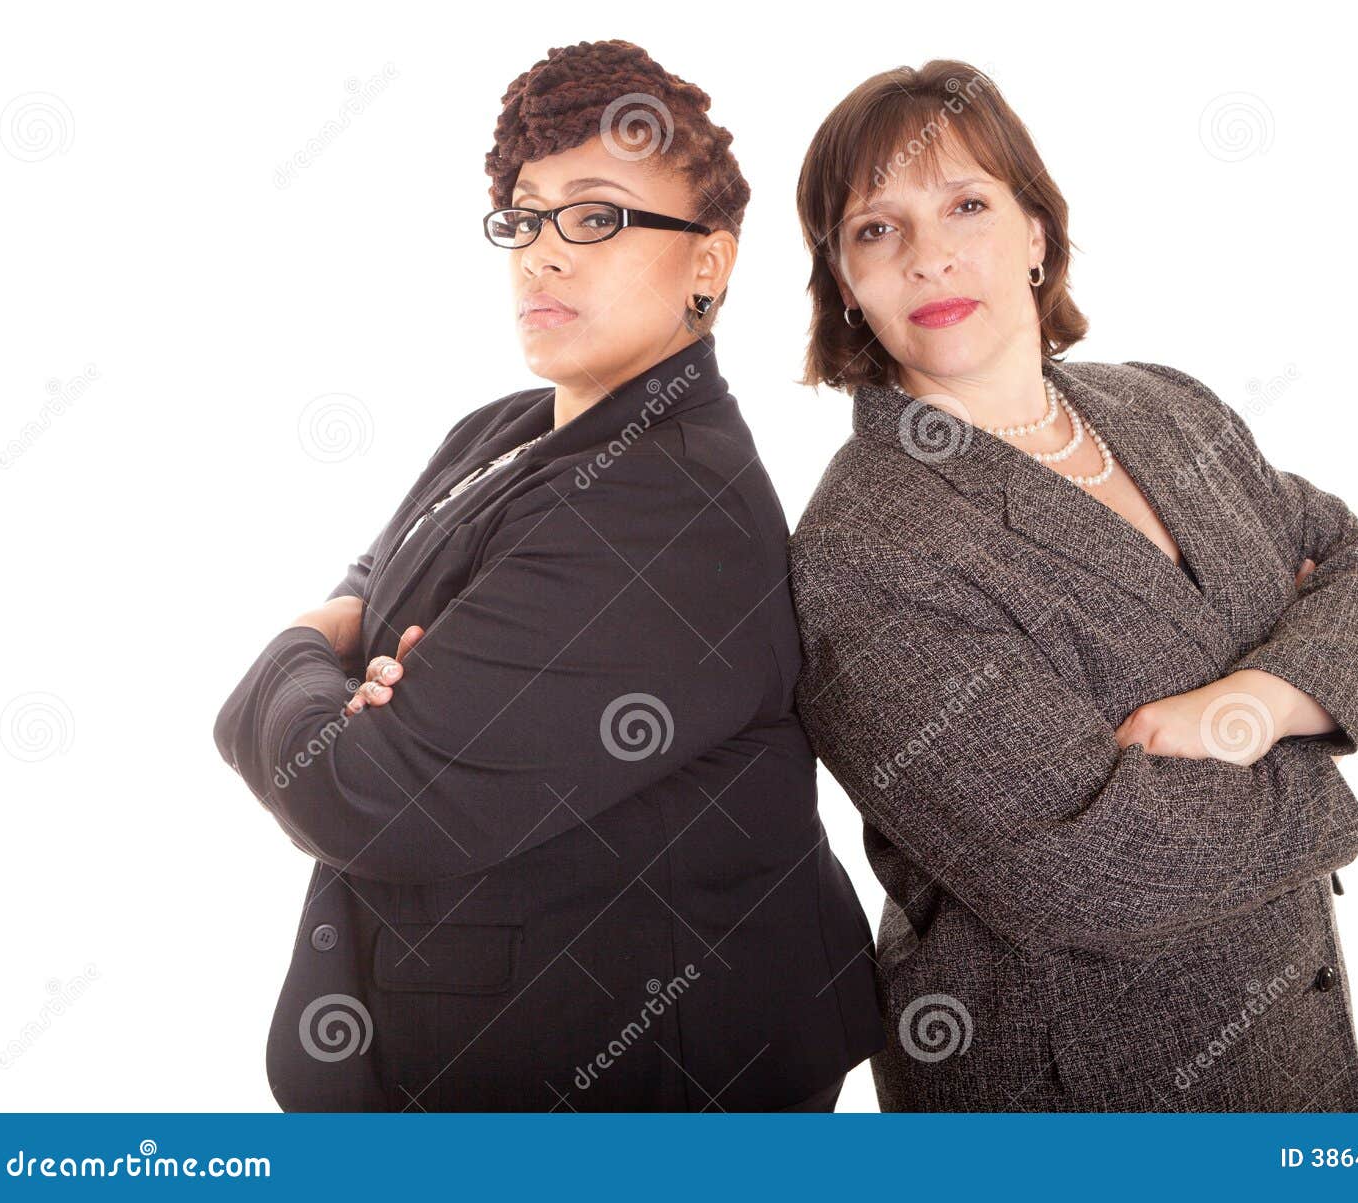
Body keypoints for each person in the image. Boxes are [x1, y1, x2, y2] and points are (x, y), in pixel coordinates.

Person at [213, 39, 883, 1112]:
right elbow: (377, 572)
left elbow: (359, 791)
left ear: (708, 264)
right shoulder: (506, 426)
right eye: (524, 217)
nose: (543, 254)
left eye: (598, 216)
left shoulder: (669, 506)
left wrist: (301, 643)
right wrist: (363, 637)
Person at [787, 59, 1358, 1111]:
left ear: (1035, 232)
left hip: (1291, 1041)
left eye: (966, 204)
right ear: (844, 284)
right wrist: (1326, 709)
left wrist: (1252, 709)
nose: (930, 256)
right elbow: (1086, 867)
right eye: (875, 229)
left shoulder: (1163, 407)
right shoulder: (868, 544)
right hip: (1079, 1087)